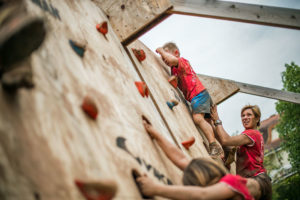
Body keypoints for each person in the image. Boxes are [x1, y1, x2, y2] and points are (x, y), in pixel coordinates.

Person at [136, 119, 262, 200]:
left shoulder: (231, 183)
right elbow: (181, 159)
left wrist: (156, 188)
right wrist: (155, 134)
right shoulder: (220, 182)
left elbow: (202, 195)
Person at [156, 42, 222, 158]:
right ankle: (224, 150)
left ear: (176, 53)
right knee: (207, 123)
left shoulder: (182, 61)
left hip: (198, 94)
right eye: (162, 57)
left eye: (166, 54)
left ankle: (213, 145)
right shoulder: (175, 70)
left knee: (197, 118)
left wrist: (161, 50)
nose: (163, 58)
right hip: (200, 95)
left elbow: (171, 60)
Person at [210, 104, 272, 200]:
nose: (245, 118)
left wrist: (217, 120)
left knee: (226, 190)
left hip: (257, 180)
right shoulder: (249, 137)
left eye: (249, 115)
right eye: (243, 115)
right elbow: (229, 147)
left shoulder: (252, 133)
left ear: (257, 118)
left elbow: (225, 140)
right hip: (259, 183)